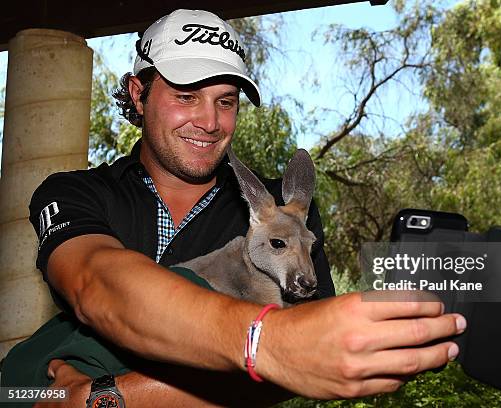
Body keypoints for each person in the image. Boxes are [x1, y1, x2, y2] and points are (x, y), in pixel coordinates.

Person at [14, 9, 465, 407]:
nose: (210, 122)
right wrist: (265, 343)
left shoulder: (282, 215)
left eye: (225, 102)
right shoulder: (76, 192)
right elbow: (97, 283)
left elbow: (304, 358)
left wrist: (116, 399)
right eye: (186, 97)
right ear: (138, 93)